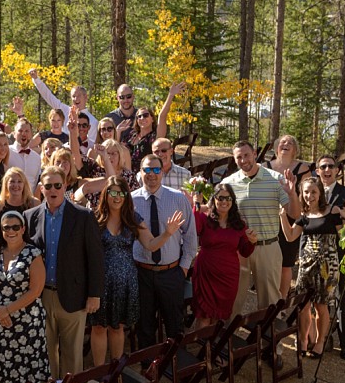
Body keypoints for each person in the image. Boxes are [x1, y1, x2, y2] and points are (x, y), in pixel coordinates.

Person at [221, 141, 300, 370]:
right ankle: (226, 344)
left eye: (247, 155)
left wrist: (292, 193)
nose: (243, 160)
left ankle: (272, 349)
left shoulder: (275, 180)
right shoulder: (229, 183)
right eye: (239, 157)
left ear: (255, 154)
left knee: (270, 301)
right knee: (235, 298)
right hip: (241, 251)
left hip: (268, 247)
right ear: (234, 159)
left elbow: (295, 213)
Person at [90, 176, 184, 367]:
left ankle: (114, 372)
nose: (117, 197)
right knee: (98, 328)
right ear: (105, 195)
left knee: (118, 328)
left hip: (125, 282)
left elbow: (150, 244)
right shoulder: (95, 218)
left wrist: (167, 233)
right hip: (101, 282)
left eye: (121, 192)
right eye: (112, 192)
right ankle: (99, 373)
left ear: (126, 195)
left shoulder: (133, 218)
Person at [24, 166, 104, 378]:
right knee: (45, 353)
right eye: (48, 186)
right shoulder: (30, 216)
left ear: (65, 186)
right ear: (41, 189)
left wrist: (94, 294)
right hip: (40, 296)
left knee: (72, 355)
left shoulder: (83, 216)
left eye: (57, 185)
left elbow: (96, 258)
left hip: (73, 295)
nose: (53, 190)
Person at [280, 178, 345, 359]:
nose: (309, 196)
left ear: (320, 192)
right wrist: (283, 216)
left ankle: (321, 341)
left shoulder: (332, 212)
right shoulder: (303, 216)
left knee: (321, 306)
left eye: (313, 192)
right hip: (306, 266)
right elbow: (290, 236)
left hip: (327, 266)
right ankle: (304, 340)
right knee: (303, 305)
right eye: (306, 192)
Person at [0, 211, 50, 383]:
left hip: (26, 325)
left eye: (15, 227)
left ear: (23, 229)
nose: (11, 231)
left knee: (28, 377)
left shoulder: (33, 253)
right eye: (6, 228)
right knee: (7, 375)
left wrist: (7, 310)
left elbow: (35, 290)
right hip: (0, 324)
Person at [131, 154, 197, 344]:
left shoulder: (177, 198)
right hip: (141, 273)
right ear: (140, 172)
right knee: (145, 326)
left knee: (174, 325)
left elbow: (190, 237)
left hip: (171, 273)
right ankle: (147, 367)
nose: (152, 174)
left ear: (162, 172)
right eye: (147, 170)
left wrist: (183, 269)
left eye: (156, 170)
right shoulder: (131, 201)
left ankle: (174, 366)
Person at [311, 153, 345, 360]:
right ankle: (320, 338)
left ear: (337, 170)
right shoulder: (310, 192)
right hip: (316, 253)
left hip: (340, 254)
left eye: (331, 166)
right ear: (317, 170)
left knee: (343, 299)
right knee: (318, 299)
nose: (327, 170)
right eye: (323, 167)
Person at [190, 185, 257, 330]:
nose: (224, 201)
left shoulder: (239, 225)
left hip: (228, 276)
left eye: (228, 198)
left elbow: (245, 252)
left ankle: (211, 349)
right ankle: (201, 350)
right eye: (220, 198)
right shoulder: (205, 219)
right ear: (214, 200)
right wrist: (196, 205)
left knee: (217, 318)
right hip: (206, 273)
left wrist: (252, 242)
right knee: (204, 316)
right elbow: (192, 228)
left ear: (233, 201)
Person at [262, 134, 313, 304]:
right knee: (268, 264)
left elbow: (307, 196)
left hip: (291, 219)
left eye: (290, 143)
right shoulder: (264, 167)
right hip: (267, 219)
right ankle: (267, 300)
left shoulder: (303, 169)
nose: (286, 144)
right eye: (282, 142)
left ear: (295, 150)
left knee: (285, 264)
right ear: (277, 147)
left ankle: (281, 302)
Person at [28, 67, 99, 139]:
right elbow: (48, 96)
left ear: (85, 97)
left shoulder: (93, 122)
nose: (76, 99)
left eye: (79, 96)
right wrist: (36, 79)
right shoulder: (64, 110)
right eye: (73, 96)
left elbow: (91, 144)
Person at [120, 106, 158, 172]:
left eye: (145, 115)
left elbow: (163, 116)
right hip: (127, 173)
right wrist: (118, 132)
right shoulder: (132, 135)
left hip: (146, 174)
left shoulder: (154, 136)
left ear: (152, 119)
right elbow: (118, 149)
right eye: (139, 116)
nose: (142, 118)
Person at [7, 118, 41, 189]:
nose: (23, 134)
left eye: (27, 131)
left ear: (31, 134)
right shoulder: (7, 152)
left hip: (29, 199)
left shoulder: (37, 158)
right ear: (14, 134)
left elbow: (35, 183)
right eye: (20, 131)